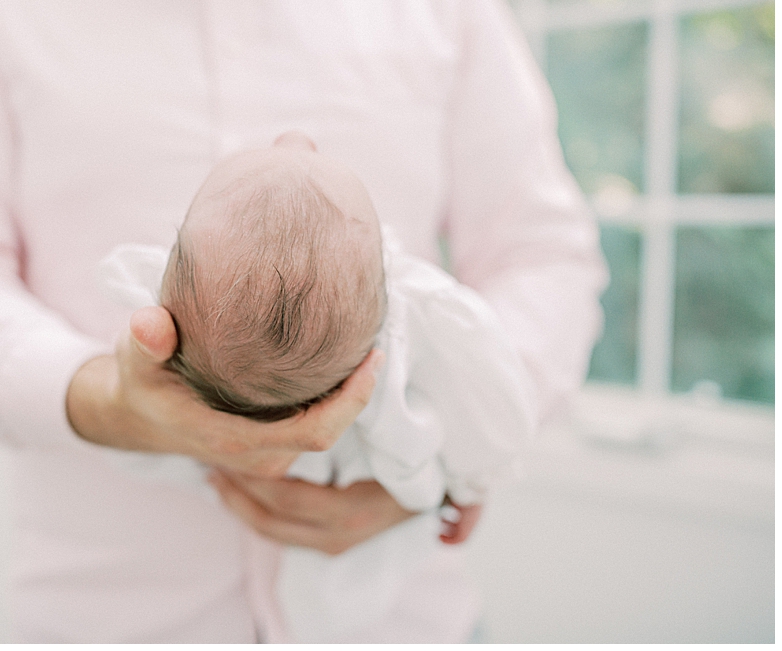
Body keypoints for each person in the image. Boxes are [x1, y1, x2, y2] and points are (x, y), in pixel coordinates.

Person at [0, 0, 606, 642]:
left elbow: (541, 256)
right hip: (108, 619)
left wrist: (443, 458)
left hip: (411, 625)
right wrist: (97, 397)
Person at [95, 132, 534, 641]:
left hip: (417, 621)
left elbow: (543, 250)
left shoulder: (148, 308)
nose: (294, 140)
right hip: (135, 608)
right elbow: (490, 406)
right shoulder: (436, 326)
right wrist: (471, 478)